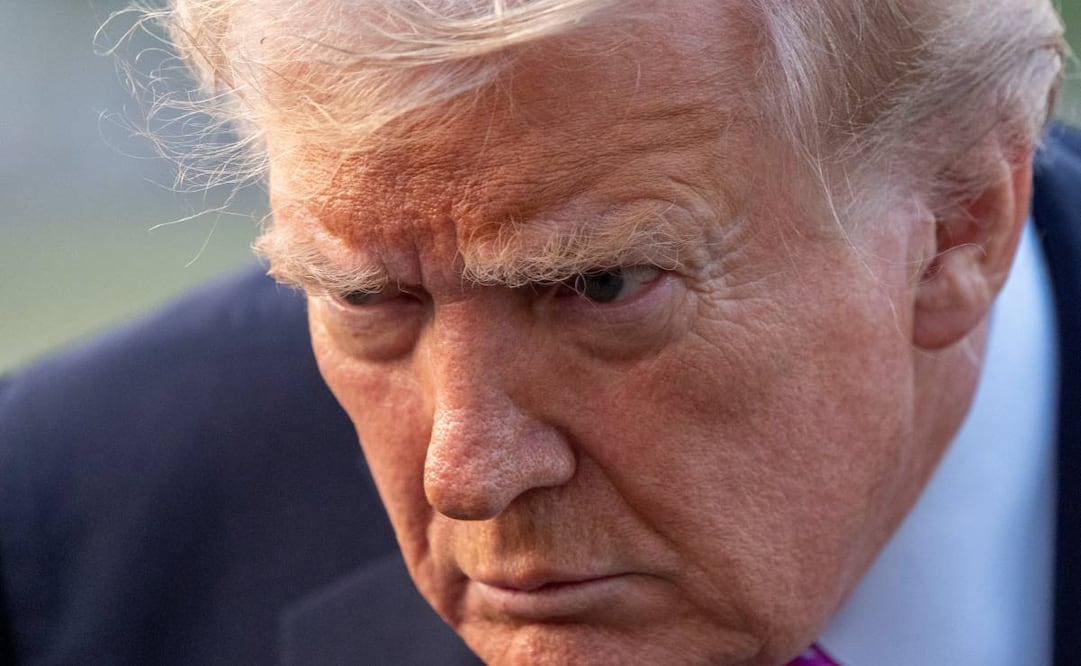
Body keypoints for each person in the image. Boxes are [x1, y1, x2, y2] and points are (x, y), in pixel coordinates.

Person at [1, 1, 1078, 665]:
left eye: (600, 285)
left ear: (955, 227)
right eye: (368, 298)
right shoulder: (74, 529)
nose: (464, 472)